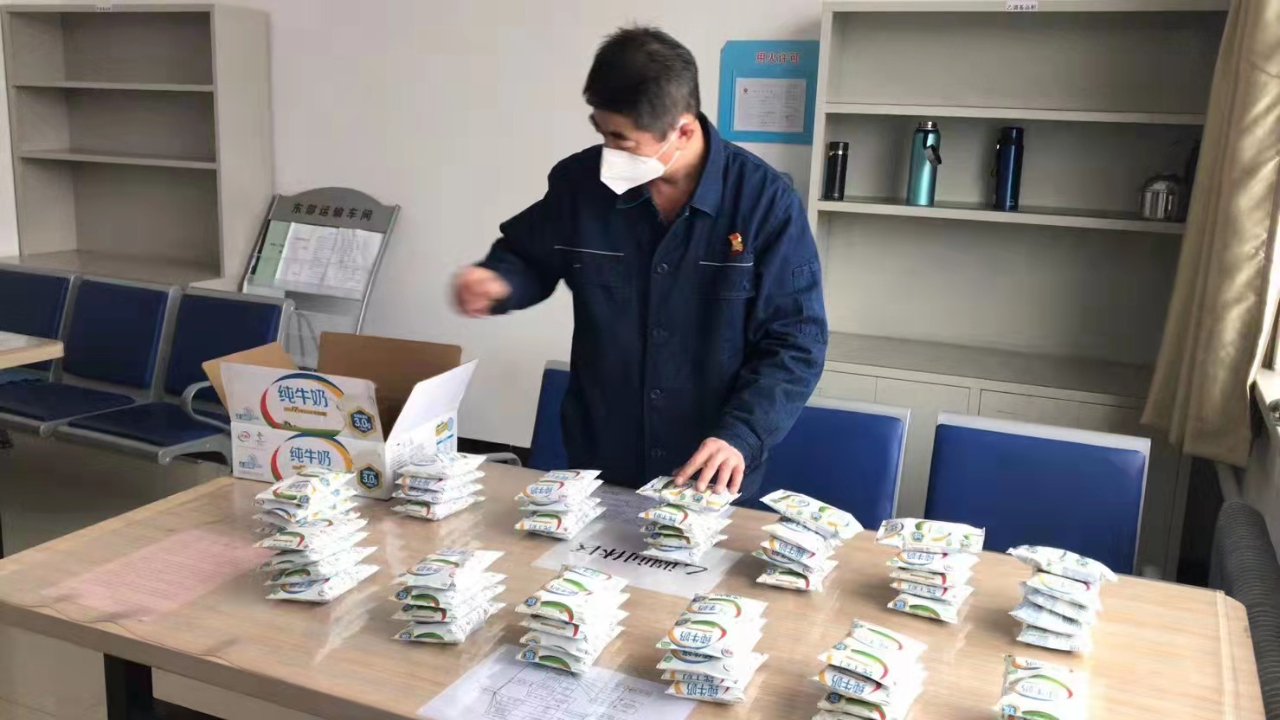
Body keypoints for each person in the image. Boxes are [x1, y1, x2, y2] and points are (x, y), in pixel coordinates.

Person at [452, 26, 826, 498]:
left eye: (623, 141)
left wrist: (741, 434)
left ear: (683, 131)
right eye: (602, 133)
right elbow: (530, 256)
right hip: (598, 457)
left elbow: (796, 340)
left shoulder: (764, 203)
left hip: (708, 468)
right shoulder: (581, 184)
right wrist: (499, 280)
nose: (609, 153)